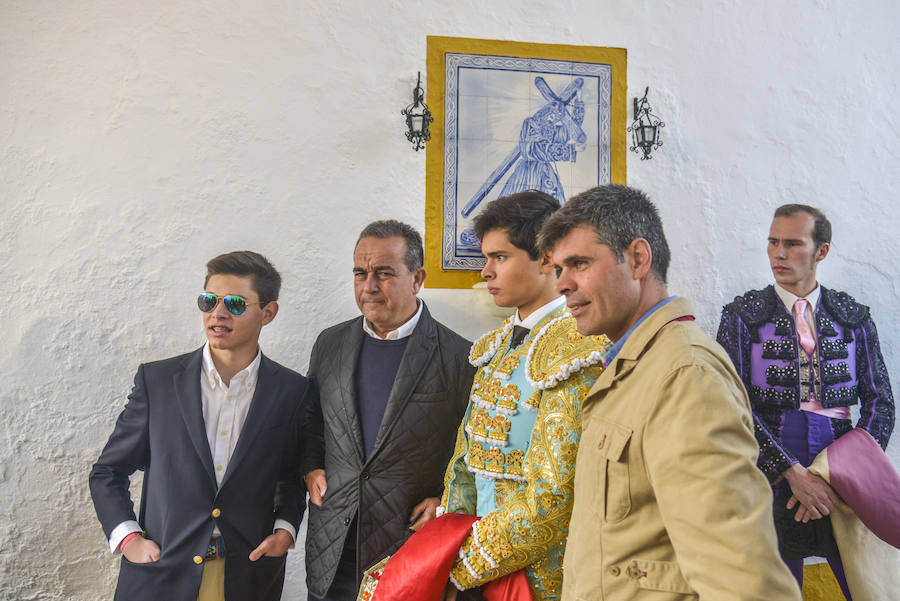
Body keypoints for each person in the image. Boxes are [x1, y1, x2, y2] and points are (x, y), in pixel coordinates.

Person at [539, 185, 800, 601]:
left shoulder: (684, 375)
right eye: (558, 270)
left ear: (638, 259)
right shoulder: (636, 365)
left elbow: (741, 576)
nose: (562, 285)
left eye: (580, 264)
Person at [89, 251, 310, 601]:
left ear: (268, 313)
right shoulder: (158, 382)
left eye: (235, 304)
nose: (217, 314)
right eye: (209, 301)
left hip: (248, 577)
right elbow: (107, 471)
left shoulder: (292, 391)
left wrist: (285, 530)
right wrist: (128, 538)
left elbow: (291, 476)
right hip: (160, 574)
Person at [436, 190, 607, 601]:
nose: (486, 271)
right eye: (486, 258)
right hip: (477, 562)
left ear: (547, 259)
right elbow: (465, 459)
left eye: (500, 257)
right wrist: (447, 543)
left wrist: (465, 563)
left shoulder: (579, 348)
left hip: (541, 573)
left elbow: (553, 494)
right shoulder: (494, 345)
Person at [716, 204, 894, 598]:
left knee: (871, 588)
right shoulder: (742, 317)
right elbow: (729, 405)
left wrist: (850, 470)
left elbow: (882, 403)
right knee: (774, 589)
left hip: (842, 466)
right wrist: (792, 472)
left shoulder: (853, 317)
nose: (779, 253)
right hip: (768, 467)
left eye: (793, 244)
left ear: (821, 251)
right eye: (773, 242)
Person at [301, 220, 475, 601]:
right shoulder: (330, 344)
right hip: (333, 543)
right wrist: (311, 465)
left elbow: (472, 448)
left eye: (384, 273)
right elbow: (311, 419)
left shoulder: (461, 357)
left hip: (408, 544)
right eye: (361, 273)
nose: (369, 286)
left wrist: (448, 499)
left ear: (417, 278)